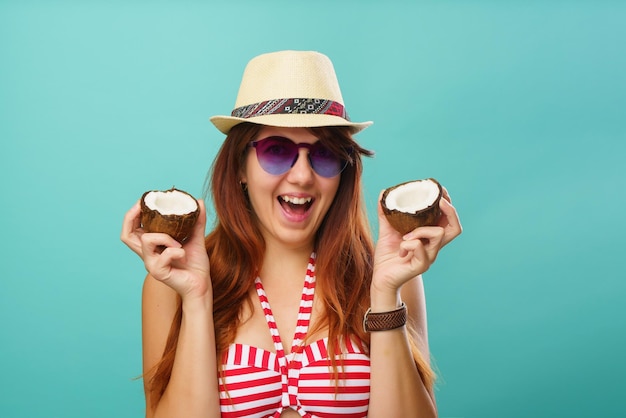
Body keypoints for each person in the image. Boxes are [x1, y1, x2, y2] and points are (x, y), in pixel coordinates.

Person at [121, 50, 462, 418]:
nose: (301, 176)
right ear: (240, 166)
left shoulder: (393, 281)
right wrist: (198, 297)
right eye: (277, 151)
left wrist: (383, 293)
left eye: (325, 154)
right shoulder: (170, 283)